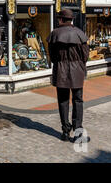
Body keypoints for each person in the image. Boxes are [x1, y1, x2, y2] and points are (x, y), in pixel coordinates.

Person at [47, 9, 90, 142]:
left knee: (63, 100)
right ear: (71, 20)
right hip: (77, 70)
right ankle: (77, 132)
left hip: (61, 69)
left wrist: (61, 62)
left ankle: (65, 131)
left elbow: (52, 56)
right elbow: (85, 55)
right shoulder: (79, 33)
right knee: (78, 100)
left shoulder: (54, 34)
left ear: (60, 19)